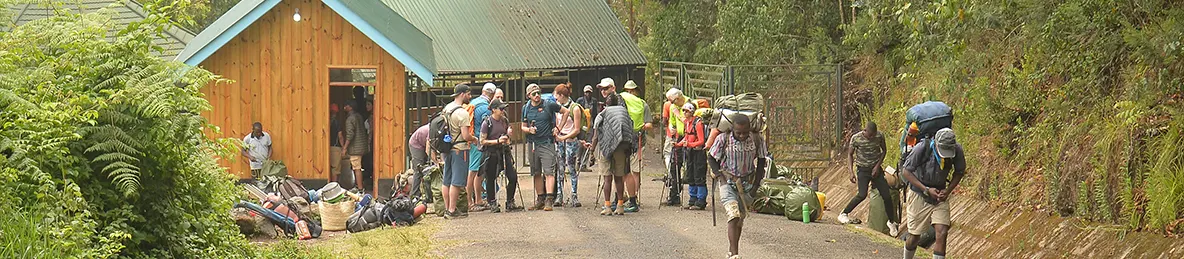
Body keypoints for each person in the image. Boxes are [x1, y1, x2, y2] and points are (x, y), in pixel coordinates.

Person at [708, 114, 768, 259]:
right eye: (738, 132)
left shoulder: (757, 139)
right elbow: (711, 157)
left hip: (748, 184)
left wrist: (755, 185)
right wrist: (720, 176)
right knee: (733, 214)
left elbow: (761, 161)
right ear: (732, 129)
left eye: (745, 132)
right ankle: (735, 254)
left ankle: (731, 250)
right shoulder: (723, 139)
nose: (741, 135)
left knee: (739, 220)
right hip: (728, 182)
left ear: (750, 129)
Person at [900, 128, 965, 259]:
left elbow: (959, 172)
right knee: (914, 237)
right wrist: (926, 189)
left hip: (940, 197)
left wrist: (948, 191)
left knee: (942, 232)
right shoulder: (922, 148)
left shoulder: (957, 150)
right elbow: (906, 172)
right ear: (936, 143)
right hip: (919, 194)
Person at [838, 122, 900, 234]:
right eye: (870, 135)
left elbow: (884, 151)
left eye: (873, 135)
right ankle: (844, 213)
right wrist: (851, 172)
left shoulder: (879, 136)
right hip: (863, 170)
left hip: (876, 170)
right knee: (862, 195)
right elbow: (850, 155)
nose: (871, 137)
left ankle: (891, 222)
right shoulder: (856, 138)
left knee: (886, 195)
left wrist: (877, 166)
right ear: (864, 130)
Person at [521, 83, 568, 211]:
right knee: (536, 172)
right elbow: (522, 126)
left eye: (538, 93)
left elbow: (566, 112)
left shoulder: (548, 104)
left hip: (547, 142)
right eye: (534, 94)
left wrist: (558, 128)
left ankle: (549, 199)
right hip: (533, 143)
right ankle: (540, 198)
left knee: (549, 172)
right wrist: (529, 130)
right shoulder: (526, 108)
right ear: (528, 95)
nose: (537, 95)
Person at [586, 95, 635, 216]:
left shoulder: (602, 113)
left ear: (606, 103)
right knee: (619, 177)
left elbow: (596, 135)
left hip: (606, 147)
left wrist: (592, 151)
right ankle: (620, 206)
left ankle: (607, 206)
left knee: (607, 178)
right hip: (621, 147)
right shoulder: (624, 112)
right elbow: (630, 128)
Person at [479, 99, 524, 213]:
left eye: (504, 108)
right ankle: (492, 202)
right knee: (491, 178)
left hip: (504, 151)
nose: (503, 110)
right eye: (501, 108)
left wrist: (507, 137)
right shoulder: (487, 123)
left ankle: (510, 202)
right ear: (493, 109)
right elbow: (482, 141)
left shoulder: (505, 120)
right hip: (492, 152)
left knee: (512, 176)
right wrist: (497, 141)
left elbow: (507, 136)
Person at [441, 84, 477, 219]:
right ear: (462, 94)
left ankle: (447, 208)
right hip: (460, 149)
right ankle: (452, 210)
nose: (470, 96)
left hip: (447, 148)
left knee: (446, 180)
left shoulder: (447, 108)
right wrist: (474, 139)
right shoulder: (462, 113)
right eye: (468, 94)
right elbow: (466, 135)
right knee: (456, 181)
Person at [618, 80, 653, 212]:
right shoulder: (621, 103)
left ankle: (634, 196)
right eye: (627, 90)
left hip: (638, 141)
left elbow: (649, 124)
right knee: (624, 170)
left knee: (635, 170)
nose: (630, 93)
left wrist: (641, 127)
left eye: (632, 90)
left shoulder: (643, 105)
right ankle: (625, 195)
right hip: (624, 141)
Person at [553, 83, 585, 208]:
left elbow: (577, 129)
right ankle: (559, 194)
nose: (556, 98)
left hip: (571, 140)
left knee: (571, 167)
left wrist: (564, 137)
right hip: (560, 140)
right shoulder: (558, 107)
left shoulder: (574, 108)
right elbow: (556, 123)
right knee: (560, 168)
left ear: (562, 95)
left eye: (557, 96)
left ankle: (574, 195)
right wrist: (557, 133)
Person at [467, 83, 496, 212]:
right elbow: (487, 126)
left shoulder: (474, 102)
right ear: (492, 94)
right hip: (478, 143)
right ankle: (470, 202)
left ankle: (478, 199)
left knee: (479, 172)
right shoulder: (485, 107)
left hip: (474, 141)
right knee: (473, 171)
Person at [677, 103, 708, 210]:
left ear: (691, 112)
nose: (684, 113)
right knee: (690, 175)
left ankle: (701, 201)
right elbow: (686, 137)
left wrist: (689, 144)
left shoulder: (698, 124)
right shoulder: (687, 123)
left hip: (699, 152)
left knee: (699, 176)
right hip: (690, 152)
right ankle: (692, 200)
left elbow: (701, 141)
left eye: (686, 111)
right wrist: (677, 144)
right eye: (683, 110)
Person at [662, 88, 689, 206]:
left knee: (690, 166)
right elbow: (671, 122)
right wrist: (672, 128)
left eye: (672, 101)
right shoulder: (673, 107)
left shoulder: (690, 104)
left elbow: (690, 122)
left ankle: (695, 198)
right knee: (674, 165)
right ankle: (674, 195)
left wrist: (678, 114)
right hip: (679, 137)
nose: (671, 104)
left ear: (678, 98)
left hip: (690, 137)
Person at [342, 102, 369, 192]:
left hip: (355, 148)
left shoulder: (350, 119)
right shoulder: (359, 116)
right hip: (362, 146)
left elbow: (350, 135)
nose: (344, 107)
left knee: (357, 167)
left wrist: (345, 147)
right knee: (357, 167)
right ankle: (358, 186)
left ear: (350, 107)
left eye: (346, 105)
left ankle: (360, 188)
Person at [407, 123, 435, 203]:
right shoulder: (431, 131)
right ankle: (414, 196)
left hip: (423, 142)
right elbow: (428, 149)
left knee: (428, 169)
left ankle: (428, 194)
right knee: (418, 169)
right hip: (416, 144)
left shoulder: (438, 129)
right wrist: (436, 161)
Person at [329, 104, 343, 182]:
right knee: (335, 169)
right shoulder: (337, 123)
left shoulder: (326, 121)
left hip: (327, 147)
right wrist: (343, 147)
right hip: (335, 147)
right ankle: (334, 185)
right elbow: (340, 136)